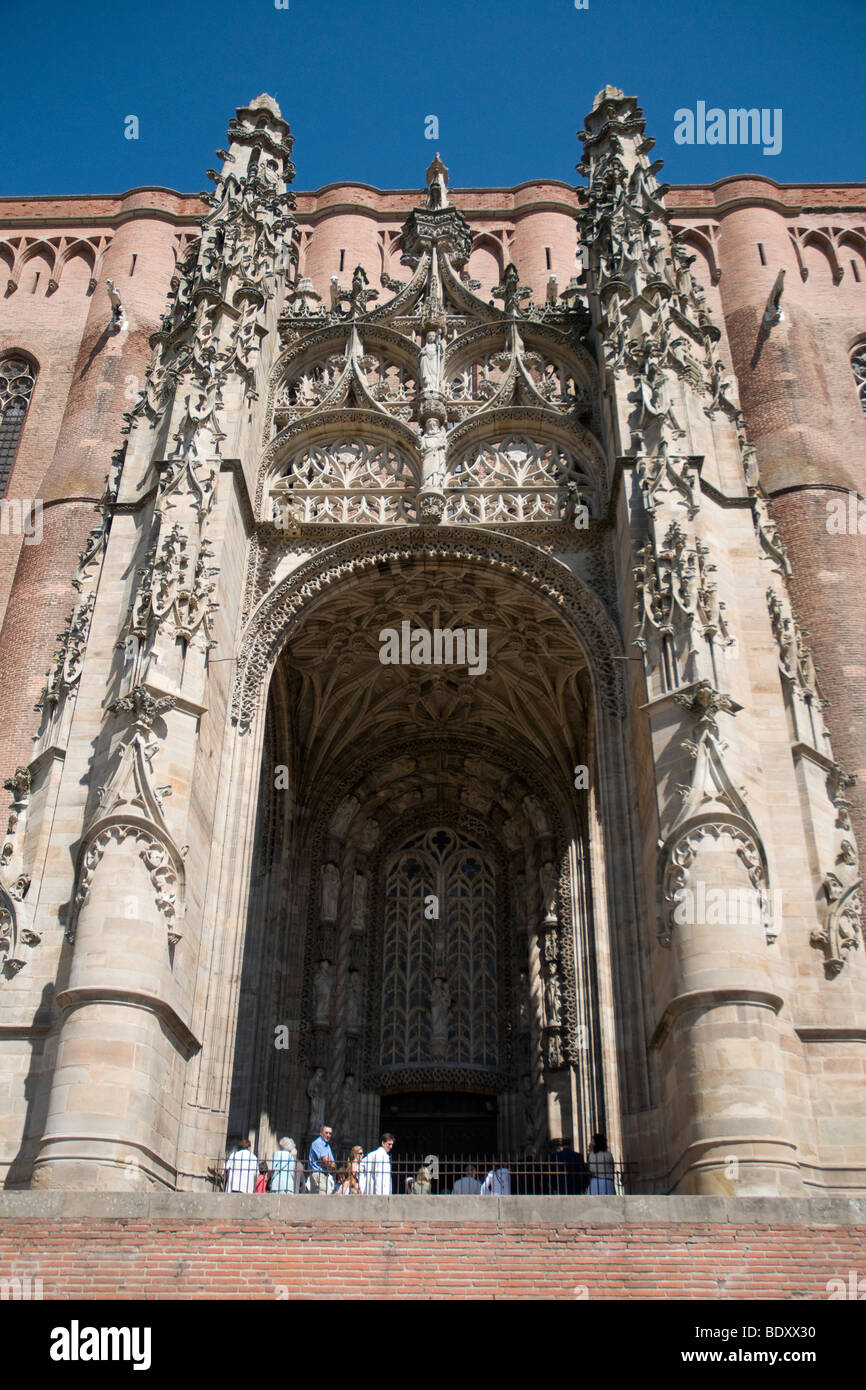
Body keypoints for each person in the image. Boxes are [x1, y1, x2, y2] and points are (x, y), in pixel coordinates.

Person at [306, 1124, 337, 1194]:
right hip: (318, 1174)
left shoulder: (327, 1146)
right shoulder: (317, 1143)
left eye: (330, 1134)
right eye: (326, 1133)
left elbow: (334, 1165)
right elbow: (326, 1160)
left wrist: (327, 1163)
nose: (328, 1135)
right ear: (321, 1133)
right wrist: (327, 1163)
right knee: (325, 1197)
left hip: (325, 1174)